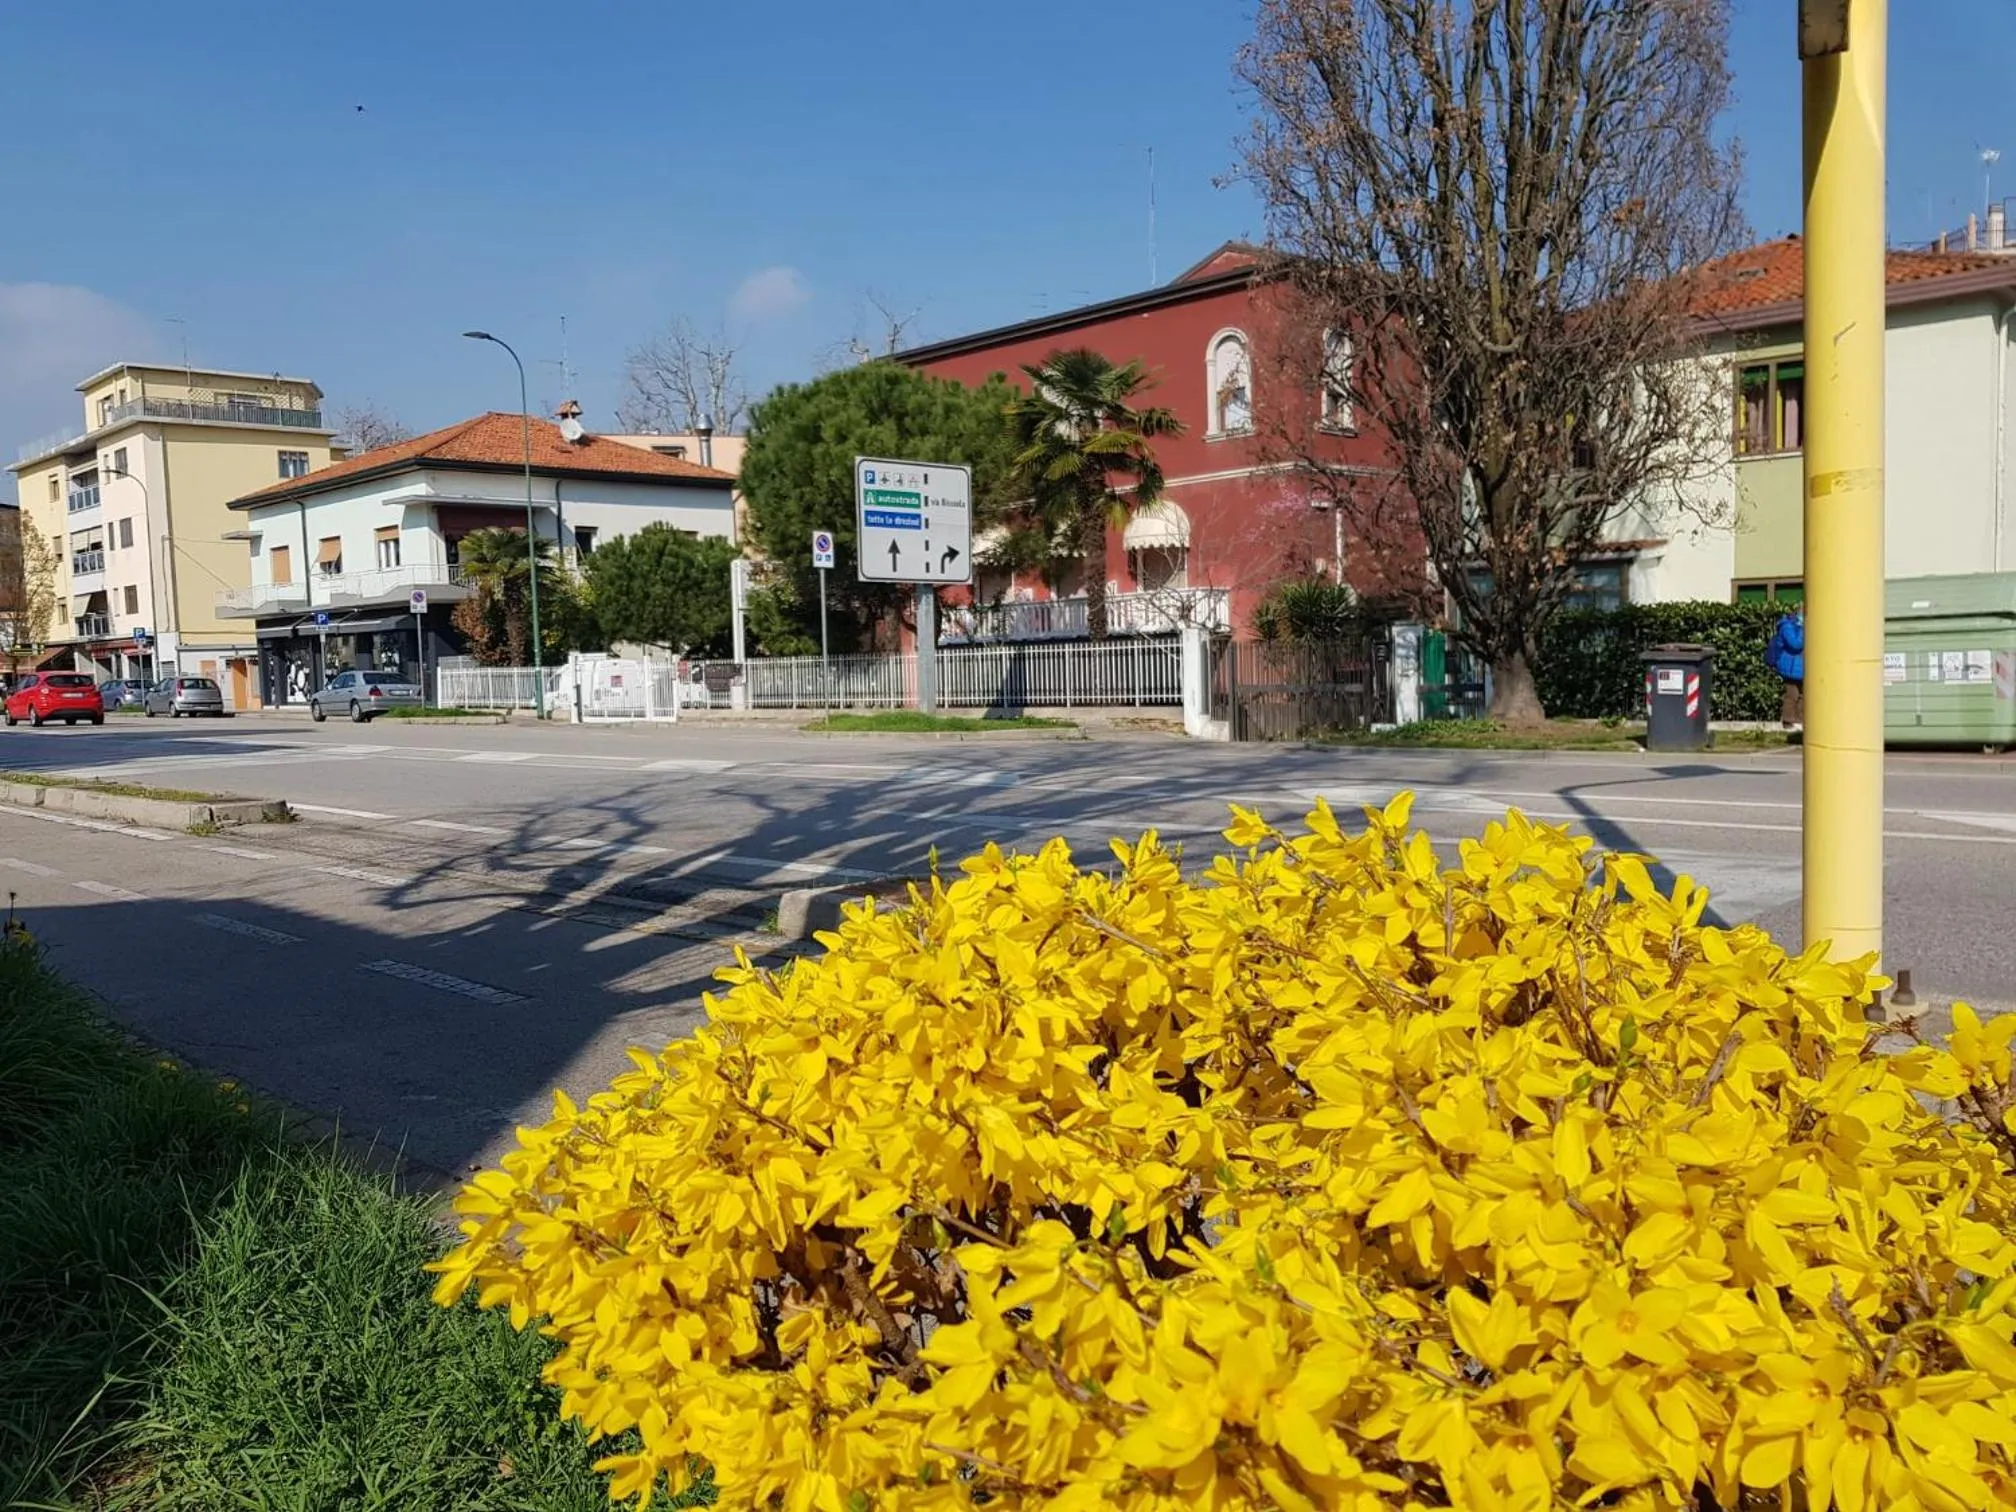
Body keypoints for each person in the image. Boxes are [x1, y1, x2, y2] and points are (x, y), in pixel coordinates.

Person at [1768, 604, 1804, 730]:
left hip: (1799, 666)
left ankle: (1799, 719)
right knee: (1792, 693)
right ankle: (1788, 720)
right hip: (1791, 667)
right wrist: (1802, 629)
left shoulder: (1795, 626)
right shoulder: (1787, 627)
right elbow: (1795, 644)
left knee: (1802, 694)